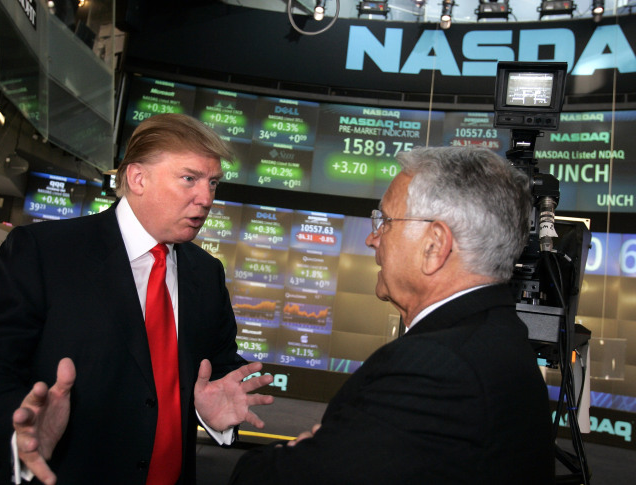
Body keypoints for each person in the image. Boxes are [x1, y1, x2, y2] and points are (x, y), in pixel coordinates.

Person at [0, 113, 274, 485]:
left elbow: (215, 368)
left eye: (213, 182)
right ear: (138, 178)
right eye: (190, 179)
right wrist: (15, 428)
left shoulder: (206, 273)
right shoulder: (44, 253)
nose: (207, 198)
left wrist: (211, 411)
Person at [229, 146, 555, 484]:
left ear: (434, 245)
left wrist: (304, 453)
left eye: (385, 221)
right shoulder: (499, 336)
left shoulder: (434, 369)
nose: (372, 239)